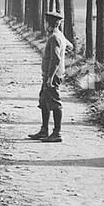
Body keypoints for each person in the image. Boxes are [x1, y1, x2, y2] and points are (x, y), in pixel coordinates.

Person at [29, 9, 69, 142]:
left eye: (47, 23)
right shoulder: (60, 36)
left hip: (52, 76)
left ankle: (57, 133)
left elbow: (56, 59)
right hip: (49, 75)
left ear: (51, 24)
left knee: (55, 103)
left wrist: (50, 77)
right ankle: (44, 130)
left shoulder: (55, 38)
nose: (46, 26)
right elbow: (71, 46)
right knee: (44, 102)